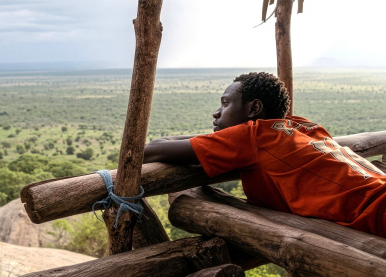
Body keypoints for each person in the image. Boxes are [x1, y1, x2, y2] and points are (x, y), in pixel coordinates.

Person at [143, 72, 386, 238]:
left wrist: (220, 137)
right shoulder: (302, 125)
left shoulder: (253, 136)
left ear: (254, 109)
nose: (216, 113)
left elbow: (151, 150)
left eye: (226, 104)